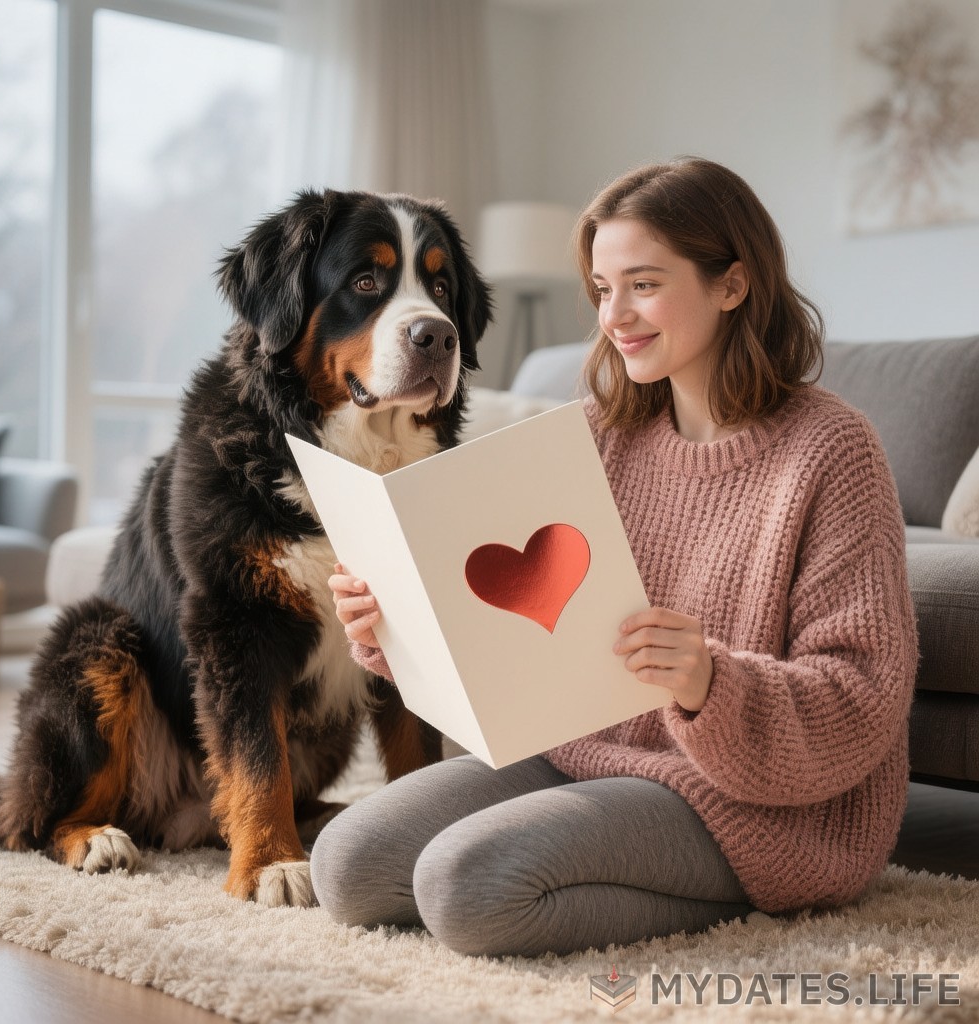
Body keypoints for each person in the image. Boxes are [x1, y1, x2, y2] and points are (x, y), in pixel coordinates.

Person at [311, 157, 918, 958]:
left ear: (732, 284)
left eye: (643, 284)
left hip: (751, 800)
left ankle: (732, 901)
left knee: (466, 888)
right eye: (602, 289)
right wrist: (393, 625)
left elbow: (862, 699)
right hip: (588, 756)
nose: (615, 316)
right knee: (348, 865)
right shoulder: (601, 432)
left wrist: (709, 681)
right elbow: (518, 637)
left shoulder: (831, 449)